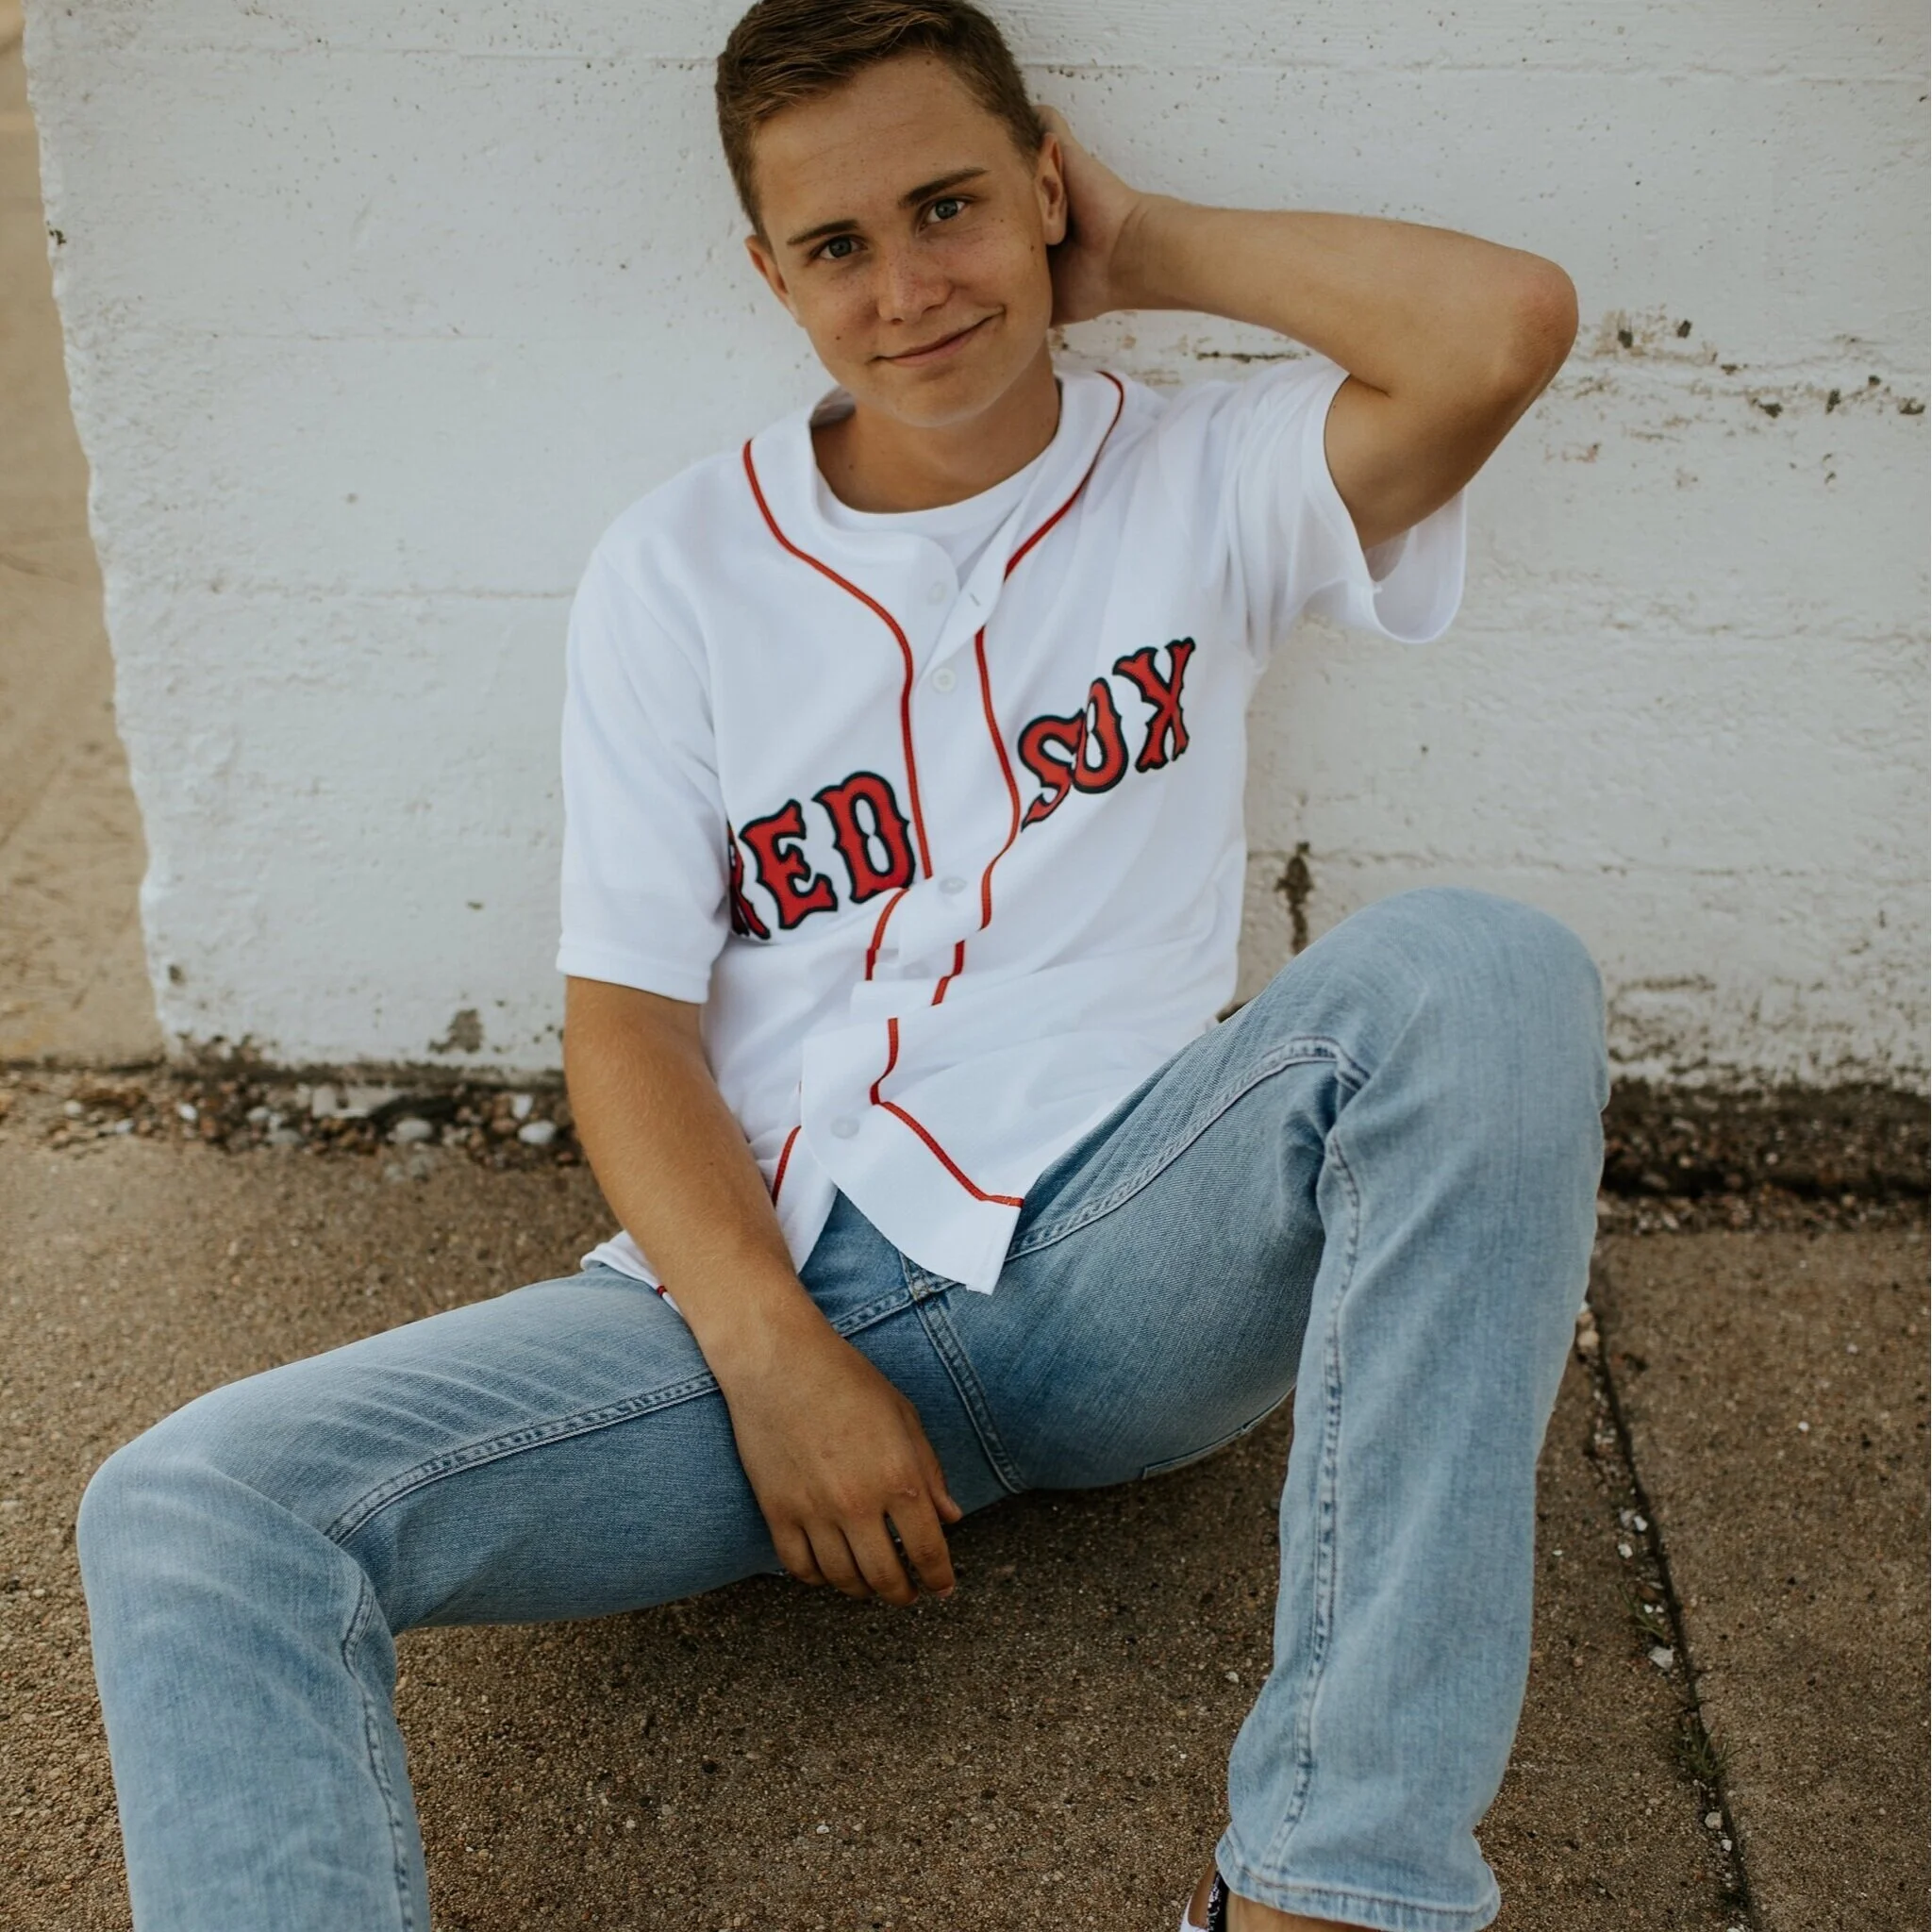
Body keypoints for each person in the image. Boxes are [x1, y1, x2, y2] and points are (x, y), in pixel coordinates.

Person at [75, 3, 1607, 1927]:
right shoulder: (677, 567)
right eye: (836, 246)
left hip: (1120, 1251)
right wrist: (773, 1353)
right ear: (770, 276)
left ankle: (1330, 1878)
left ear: (1044, 183)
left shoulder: (1205, 473)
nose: (907, 288)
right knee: (192, 1507)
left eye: (950, 205)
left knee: (1478, 969)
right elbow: (625, 1024)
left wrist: (1136, 252)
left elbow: (1505, 326)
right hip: (742, 1322)